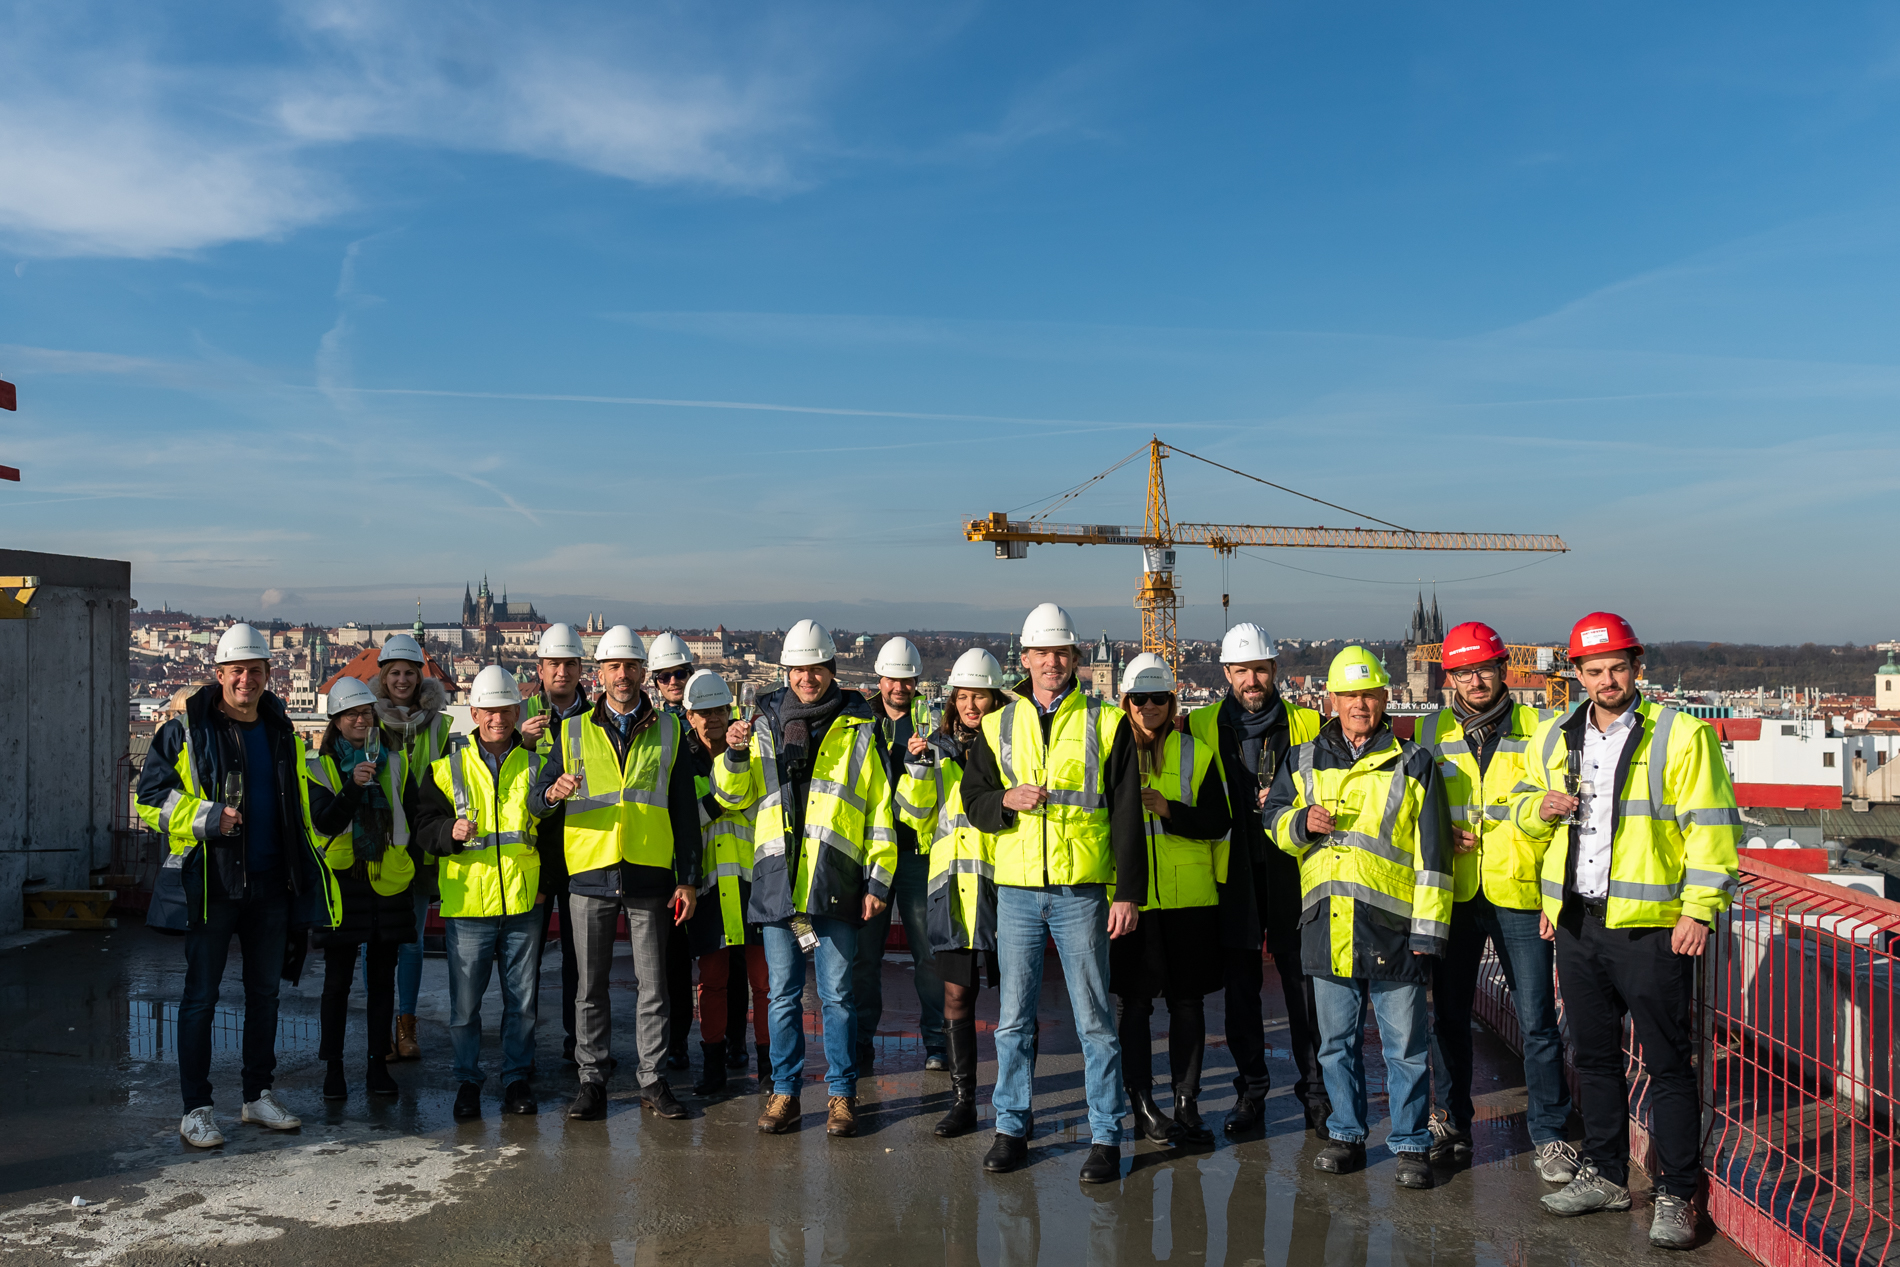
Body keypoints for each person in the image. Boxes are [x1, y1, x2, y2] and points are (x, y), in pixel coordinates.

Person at [1516, 613, 1742, 1249]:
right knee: (1593, 1057)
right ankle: (1608, 1174)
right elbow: (1523, 814)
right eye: (1594, 670)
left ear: (1636, 667)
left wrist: (1698, 909)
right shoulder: (1555, 734)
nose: (1608, 679)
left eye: (1618, 667)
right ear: (1577, 675)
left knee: (1668, 1064)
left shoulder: (1679, 734)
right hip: (1579, 922)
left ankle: (1676, 1194)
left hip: (1650, 929)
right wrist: (1538, 813)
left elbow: (1711, 826)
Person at [960, 602, 1146, 1185]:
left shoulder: (1105, 722)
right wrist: (1003, 803)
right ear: (1027, 659)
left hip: (1081, 890)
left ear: (1076, 658)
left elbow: (1125, 815)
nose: (1053, 663)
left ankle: (1105, 1135)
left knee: (1095, 1020)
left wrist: (1127, 893)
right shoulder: (997, 724)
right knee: (1013, 1020)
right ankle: (1011, 1126)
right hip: (1017, 890)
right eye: (1042, 653)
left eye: (1062, 653)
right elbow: (974, 800)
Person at [137, 622, 342, 1147]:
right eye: (237, 671)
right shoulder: (185, 729)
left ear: (269, 675)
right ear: (220, 673)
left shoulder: (280, 732)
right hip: (212, 884)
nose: (245, 680)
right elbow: (149, 798)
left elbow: (297, 801)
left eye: (255, 670)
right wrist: (208, 818)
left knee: (265, 996)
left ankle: (257, 1096)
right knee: (200, 998)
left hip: (272, 883)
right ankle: (196, 1108)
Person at [1264, 645, 1453, 1191]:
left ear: (1385, 697)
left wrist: (1428, 932)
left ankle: (1412, 1143)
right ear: (1331, 699)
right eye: (1349, 695)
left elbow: (1434, 858)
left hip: (1394, 931)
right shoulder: (1301, 759)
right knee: (1335, 1043)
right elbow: (1274, 820)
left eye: (1368, 694)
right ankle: (1346, 1134)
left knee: (1406, 1050)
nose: (1359, 705)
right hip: (1327, 926)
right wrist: (1300, 822)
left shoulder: (1414, 763)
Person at [714, 618, 895, 1140]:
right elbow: (732, 795)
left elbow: (880, 808)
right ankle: (786, 1093)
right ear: (786, 671)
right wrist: (732, 755)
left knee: (838, 996)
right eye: (797, 669)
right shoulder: (762, 722)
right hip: (777, 883)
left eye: (815, 669)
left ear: (830, 669)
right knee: (781, 996)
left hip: (834, 879)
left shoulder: (859, 725)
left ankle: (841, 1095)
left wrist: (878, 882)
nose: (806, 678)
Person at [1417, 621, 1577, 1182]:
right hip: (1457, 893)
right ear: (1450, 677)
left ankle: (1551, 1135)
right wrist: (1440, 826)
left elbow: (1556, 811)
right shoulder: (1433, 728)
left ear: (1502, 669)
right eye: (1463, 671)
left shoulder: (1539, 726)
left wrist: (1553, 900)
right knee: (1449, 1016)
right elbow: (1416, 802)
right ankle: (1452, 1121)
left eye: (1483, 668)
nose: (1475, 679)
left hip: (1519, 891)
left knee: (1536, 1021)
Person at [529, 625, 701, 1122]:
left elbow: (685, 813)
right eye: (613, 667)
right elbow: (538, 803)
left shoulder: (669, 731)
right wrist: (553, 793)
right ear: (599, 674)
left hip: (649, 872)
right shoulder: (571, 730)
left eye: (630, 666)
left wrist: (686, 878)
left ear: (641, 672)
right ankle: (592, 1081)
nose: (622, 675)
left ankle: (653, 1079)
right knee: (590, 986)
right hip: (590, 872)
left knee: (654, 987)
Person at [1186, 621, 1326, 1137]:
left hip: (1296, 868)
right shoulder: (1199, 726)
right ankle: (1251, 1093)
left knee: (1304, 987)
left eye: (1260, 670)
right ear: (1226, 673)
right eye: (1241, 670)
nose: (1251, 680)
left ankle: (1316, 1092)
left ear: (1275, 671)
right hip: (1232, 871)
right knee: (1241, 990)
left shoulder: (1309, 725)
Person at [411, 665, 543, 1120]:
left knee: (522, 1004)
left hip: (523, 901)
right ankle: (468, 1082)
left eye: (505, 710)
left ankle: (516, 1079)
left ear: (516, 710)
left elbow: (552, 832)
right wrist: (450, 830)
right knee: (465, 1007)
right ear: (474, 713)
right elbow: (423, 829)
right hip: (468, 904)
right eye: (488, 711)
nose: (497, 719)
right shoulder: (446, 769)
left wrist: (543, 889)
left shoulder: (536, 765)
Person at [1111, 653, 1232, 1145]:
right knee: (1134, 1007)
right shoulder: (1109, 752)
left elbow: (1219, 823)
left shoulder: (1195, 753)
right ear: (1126, 703)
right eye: (1139, 699)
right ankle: (1141, 1100)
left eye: (1159, 698)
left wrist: (1169, 810)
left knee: (1186, 1005)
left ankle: (1186, 1100)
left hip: (1189, 902)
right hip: (1133, 902)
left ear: (1172, 701)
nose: (1149, 707)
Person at [894, 647, 1009, 1136]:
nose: (969, 705)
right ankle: (963, 1101)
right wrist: (917, 771)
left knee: (1017, 1004)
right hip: (952, 888)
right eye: (962, 696)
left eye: (977, 695)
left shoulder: (1014, 746)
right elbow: (912, 816)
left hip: (1004, 884)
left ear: (994, 698)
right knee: (957, 996)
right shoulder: (937, 749)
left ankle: (1014, 1101)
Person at [303, 676, 419, 1102]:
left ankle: (376, 1064)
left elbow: (410, 812)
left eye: (367, 713)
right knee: (337, 982)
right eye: (352, 714)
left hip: (388, 877)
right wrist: (354, 786)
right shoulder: (319, 766)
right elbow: (326, 823)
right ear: (336, 720)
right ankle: (334, 1069)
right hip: (344, 880)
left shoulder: (395, 759)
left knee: (382, 980)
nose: (361, 719)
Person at [855, 636, 947, 1074]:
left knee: (927, 954)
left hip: (913, 853)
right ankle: (860, 1042)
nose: (900, 687)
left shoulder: (927, 725)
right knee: (864, 955)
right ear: (880, 679)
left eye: (907, 680)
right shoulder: (857, 721)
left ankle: (936, 1043)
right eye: (893, 679)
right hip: (872, 854)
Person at [679, 669, 769, 1097]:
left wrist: (710, 806)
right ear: (690, 715)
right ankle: (713, 1065)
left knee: (765, 984)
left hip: (757, 884)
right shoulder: (682, 760)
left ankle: (771, 1065)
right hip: (710, 889)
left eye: (719, 710)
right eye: (703, 712)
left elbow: (758, 806)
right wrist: (718, 804)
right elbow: (679, 822)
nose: (712, 719)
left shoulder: (751, 754)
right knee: (711, 983)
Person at [374, 632, 452, 1064]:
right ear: (383, 677)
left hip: (419, 843)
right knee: (376, 940)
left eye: (409, 673)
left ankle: (406, 1026)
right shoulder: (366, 718)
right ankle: (379, 1025)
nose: (402, 680)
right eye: (395, 673)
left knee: (413, 941)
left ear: (420, 678)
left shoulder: (438, 724)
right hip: (381, 844)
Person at [519, 622, 591, 1065]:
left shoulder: (596, 717)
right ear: (540, 669)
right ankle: (521, 1046)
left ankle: (577, 1040)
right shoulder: (521, 711)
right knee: (525, 958)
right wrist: (519, 743)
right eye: (553, 665)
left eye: (568, 664)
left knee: (578, 957)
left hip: (584, 847)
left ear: (581, 669)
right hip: (535, 848)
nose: (561, 672)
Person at [645, 630, 701, 1072]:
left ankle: (723, 1042)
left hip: (704, 856)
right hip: (662, 857)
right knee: (670, 963)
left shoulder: (711, 716)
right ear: (655, 681)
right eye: (666, 677)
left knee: (722, 959)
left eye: (680, 674)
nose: (674, 682)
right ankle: (674, 1040)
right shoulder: (652, 724)